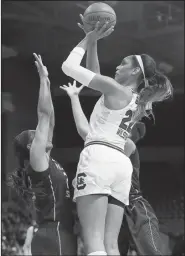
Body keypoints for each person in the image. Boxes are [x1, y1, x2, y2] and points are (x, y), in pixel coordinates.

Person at [61, 15, 173, 255]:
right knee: (110, 244)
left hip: (99, 157)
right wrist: (93, 43)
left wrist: (87, 37)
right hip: (120, 165)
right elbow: (95, 77)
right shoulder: (136, 99)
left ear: (134, 71)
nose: (117, 66)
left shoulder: (116, 89)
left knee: (93, 240)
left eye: (123, 63)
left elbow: (68, 67)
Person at [61, 82, 169, 256]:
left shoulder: (125, 144)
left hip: (133, 205)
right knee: (110, 246)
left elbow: (86, 133)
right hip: (115, 198)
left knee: (100, 243)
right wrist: (74, 98)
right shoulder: (117, 144)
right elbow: (86, 132)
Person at [9, 54, 76, 255]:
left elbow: (51, 120)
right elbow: (44, 115)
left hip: (60, 231)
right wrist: (42, 79)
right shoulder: (37, 161)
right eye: (37, 134)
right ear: (31, 146)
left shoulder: (46, 159)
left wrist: (48, 82)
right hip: (52, 232)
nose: (44, 133)